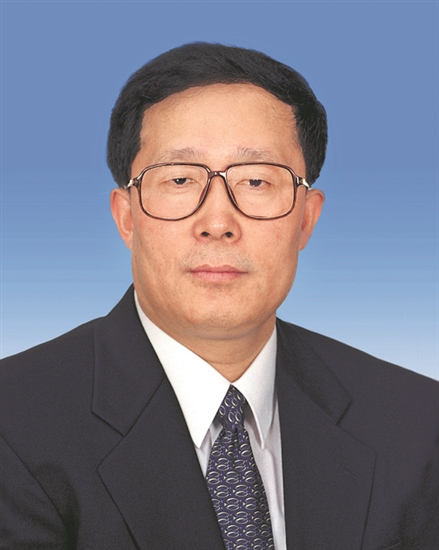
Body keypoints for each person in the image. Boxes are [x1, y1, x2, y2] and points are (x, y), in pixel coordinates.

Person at [1, 43, 438, 550]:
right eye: (180, 179)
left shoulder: (415, 422)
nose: (217, 222)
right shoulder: (15, 423)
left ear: (306, 219)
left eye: (255, 180)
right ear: (126, 218)